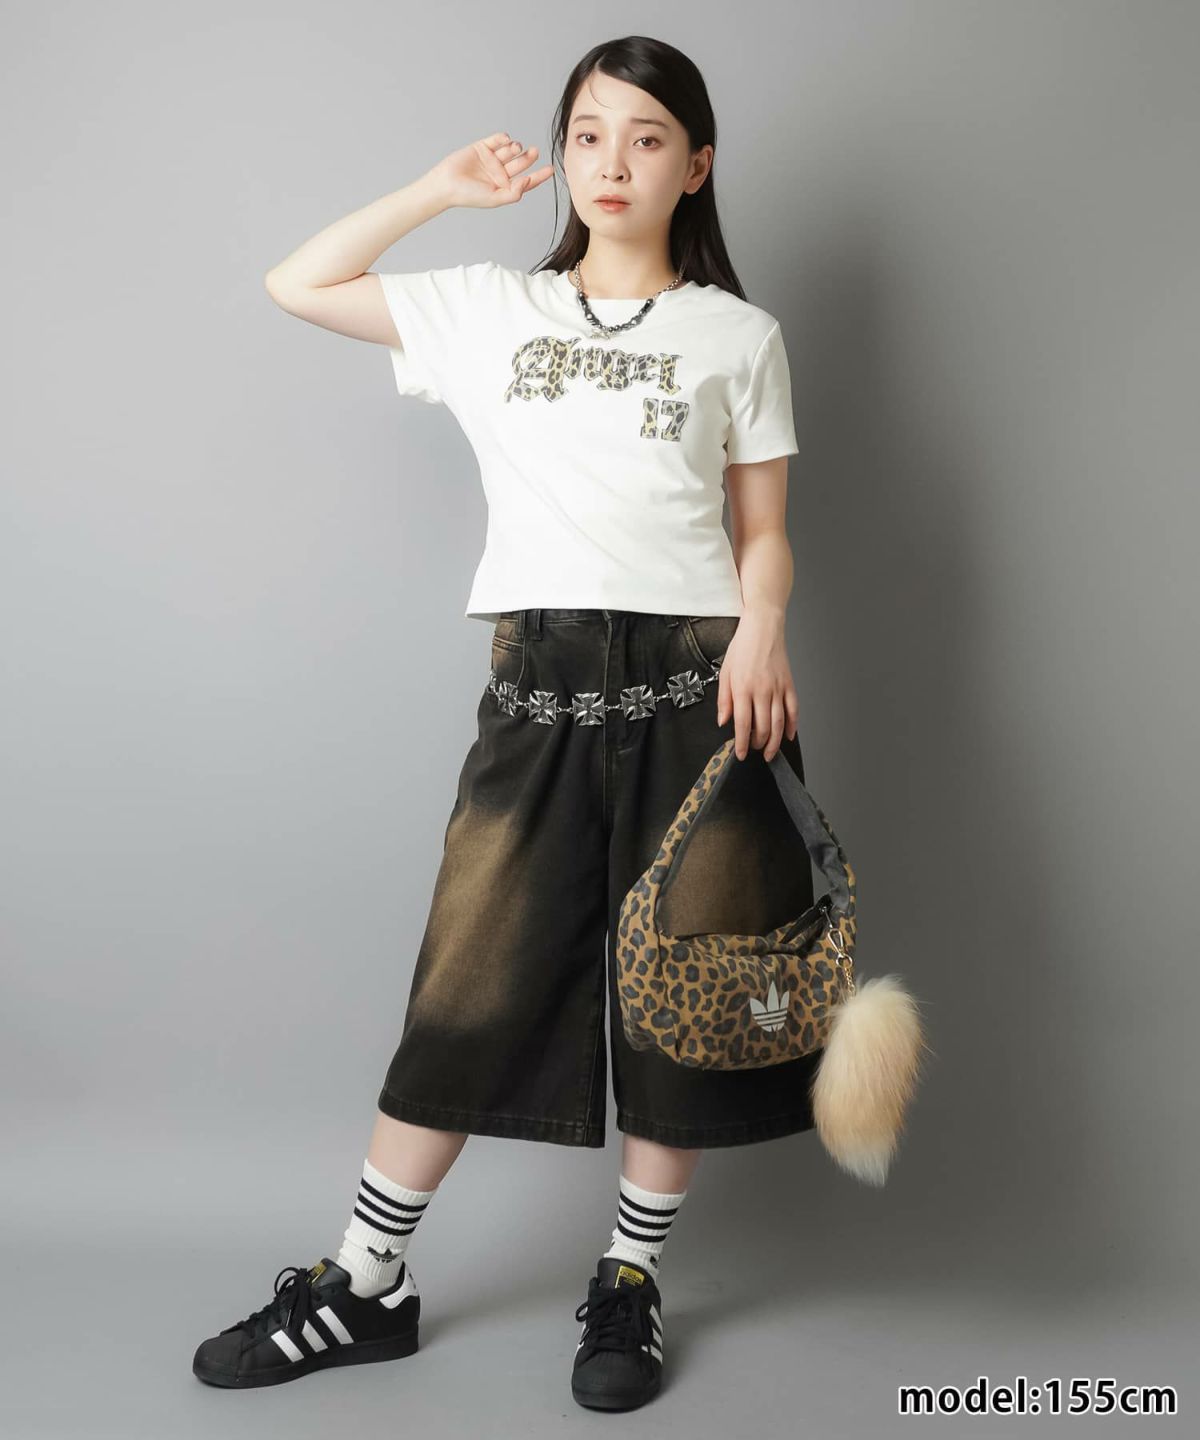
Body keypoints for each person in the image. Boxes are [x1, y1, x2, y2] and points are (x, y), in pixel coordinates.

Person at [193, 34, 821, 1413]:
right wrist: (436, 190)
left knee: (683, 999)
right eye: (588, 132)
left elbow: (763, 530)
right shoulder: (491, 308)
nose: (612, 161)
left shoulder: (739, 336)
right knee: (468, 985)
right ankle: (367, 1283)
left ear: (697, 165)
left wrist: (766, 626)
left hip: (703, 690)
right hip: (542, 687)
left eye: (647, 137)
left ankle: (630, 1281)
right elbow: (300, 281)